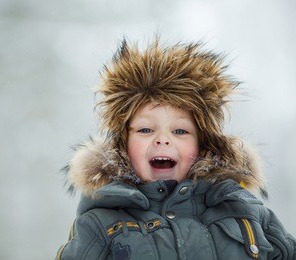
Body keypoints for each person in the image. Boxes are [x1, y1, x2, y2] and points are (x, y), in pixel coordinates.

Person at [56, 38, 296, 260]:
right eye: (146, 130)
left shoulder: (246, 214)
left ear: (204, 144)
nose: (163, 140)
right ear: (122, 145)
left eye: (180, 131)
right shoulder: (100, 223)